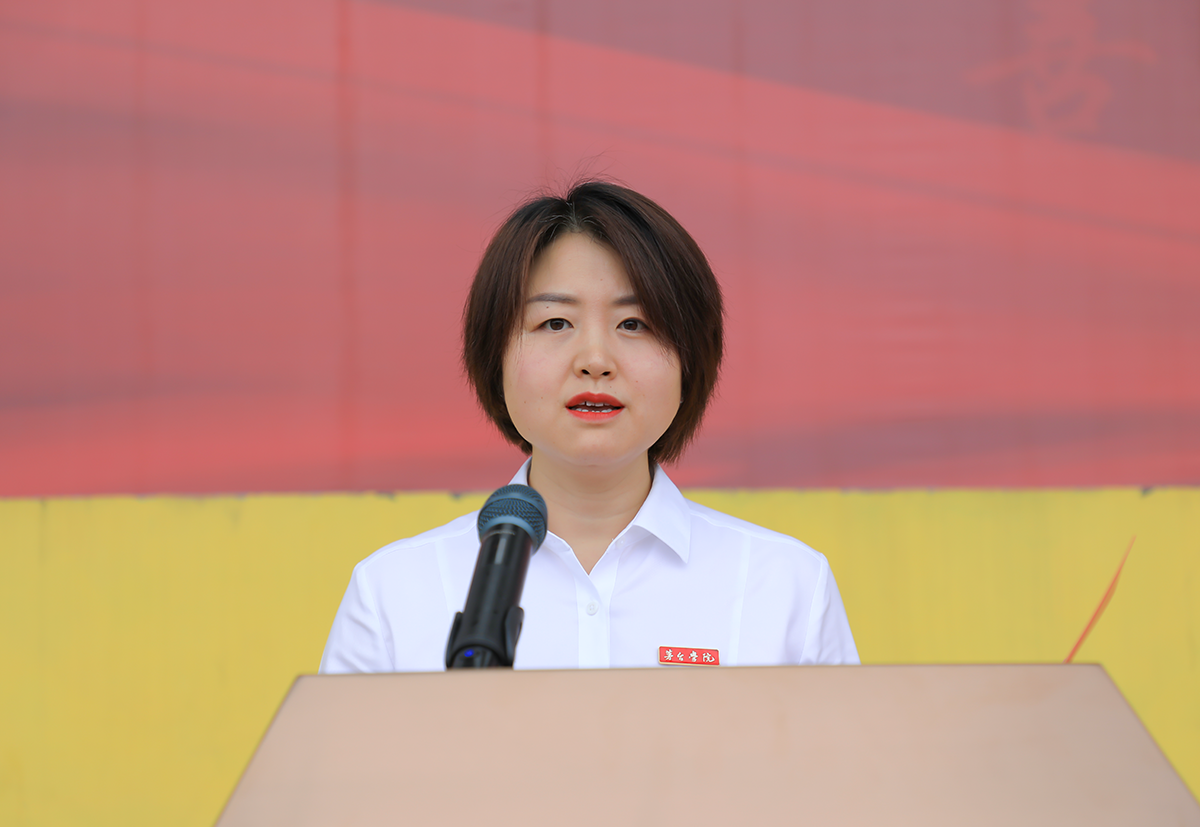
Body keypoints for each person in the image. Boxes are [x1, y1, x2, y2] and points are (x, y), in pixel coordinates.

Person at [320, 181, 858, 672]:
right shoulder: (394, 593)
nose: (595, 360)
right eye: (555, 322)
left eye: (634, 323)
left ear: (690, 360)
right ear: (495, 355)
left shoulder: (785, 586)